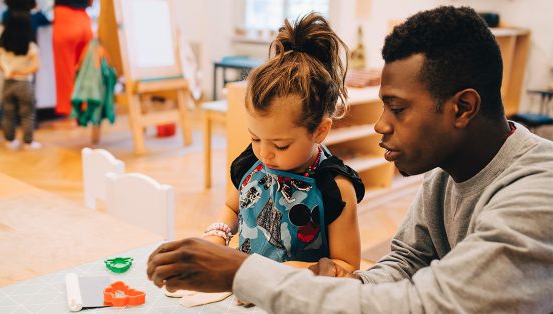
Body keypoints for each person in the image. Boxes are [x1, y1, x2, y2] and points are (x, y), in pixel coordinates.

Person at [147, 6, 553, 313]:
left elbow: (429, 304)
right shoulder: (445, 178)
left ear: (463, 107)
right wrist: (340, 284)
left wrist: (241, 272)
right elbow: (404, 263)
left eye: (397, 108)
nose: (379, 125)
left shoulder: (539, 191)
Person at [201, 13, 365, 272]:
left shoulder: (335, 189)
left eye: (280, 145)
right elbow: (232, 207)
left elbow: (345, 265)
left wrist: (275, 274)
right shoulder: (251, 162)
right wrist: (217, 234)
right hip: (247, 290)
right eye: (255, 138)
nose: (264, 154)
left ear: (320, 131)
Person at [0, 6, 41, 150]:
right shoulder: (30, 46)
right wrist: (21, 71)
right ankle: (28, 142)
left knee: (8, 113)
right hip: (25, 84)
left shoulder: (2, 44)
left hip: (8, 82)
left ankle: (9, 141)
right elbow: (36, 67)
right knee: (27, 114)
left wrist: (6, 69)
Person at [52, 0, 93, 122]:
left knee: (65, 72)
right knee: (87, 71)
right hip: (84, 19)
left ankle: (71, 114)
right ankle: (87, 111)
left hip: (64, 17)